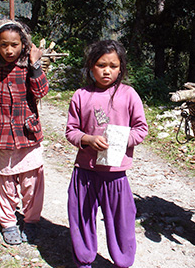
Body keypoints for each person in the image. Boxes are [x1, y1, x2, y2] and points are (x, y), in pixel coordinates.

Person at [65, 40, 148, 268]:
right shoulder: (81, 96)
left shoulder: (129, 95)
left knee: (122, 221)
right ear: (91, 66)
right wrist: (88, 140)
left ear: (121, 68)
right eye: (101, 65)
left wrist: (121, 141)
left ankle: (122, 261)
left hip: (116, 174)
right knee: (81, 217)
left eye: (113, 65)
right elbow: (71, 130)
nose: (107, 70)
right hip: (85, 171)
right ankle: (83, 259)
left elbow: (141, 129)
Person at [0, 19, 49, 245]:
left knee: (32, 180)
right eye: (4, 44)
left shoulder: (28, 65)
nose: (9, 50)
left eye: (14, 45)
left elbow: (41, 91)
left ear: (23, 45)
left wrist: (35, 64)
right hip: (1, 133)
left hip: (28, 132)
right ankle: (8, 223)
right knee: (3, 181)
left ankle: (32, 221)